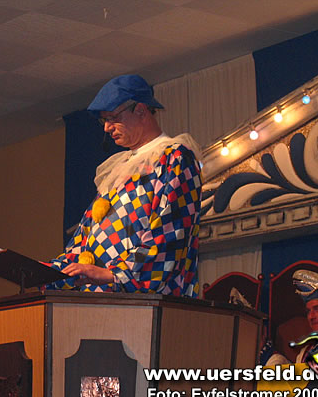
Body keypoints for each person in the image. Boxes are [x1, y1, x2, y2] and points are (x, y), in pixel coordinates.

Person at [46, 74, 202, 296]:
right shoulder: (118, 169)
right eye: (104, 121)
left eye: (112, 118)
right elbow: (85, 236)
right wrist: (50, 273)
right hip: (100, 299)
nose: (106, 128)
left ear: (140, 110)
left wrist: (116, 275)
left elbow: (171, 231)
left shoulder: (173, 157)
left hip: (147, 302)